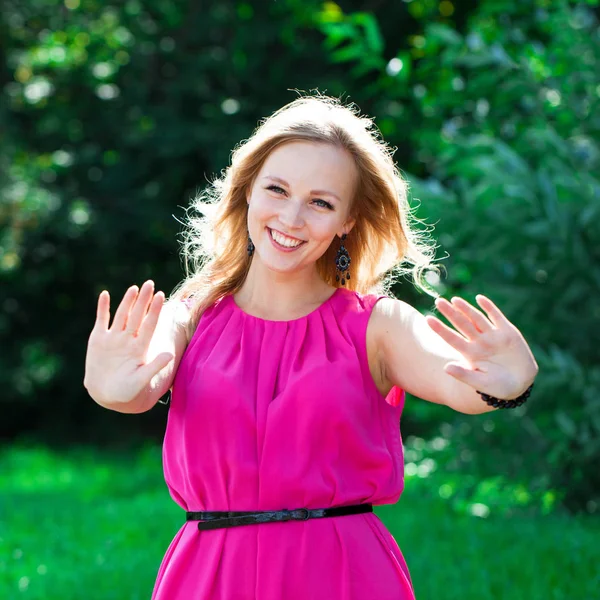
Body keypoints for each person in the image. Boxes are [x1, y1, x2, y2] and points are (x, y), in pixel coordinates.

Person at [84, 95, 538, 599]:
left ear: (348, 219)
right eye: (277, 190)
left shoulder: (378, 325)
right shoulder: (189, 313)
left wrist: (507, 386)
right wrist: (109, 386)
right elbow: (138, 386)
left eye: (321, 203)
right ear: (248, 191)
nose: (292, 218)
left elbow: (458, 381)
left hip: (341, 575)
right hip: (209, 576)